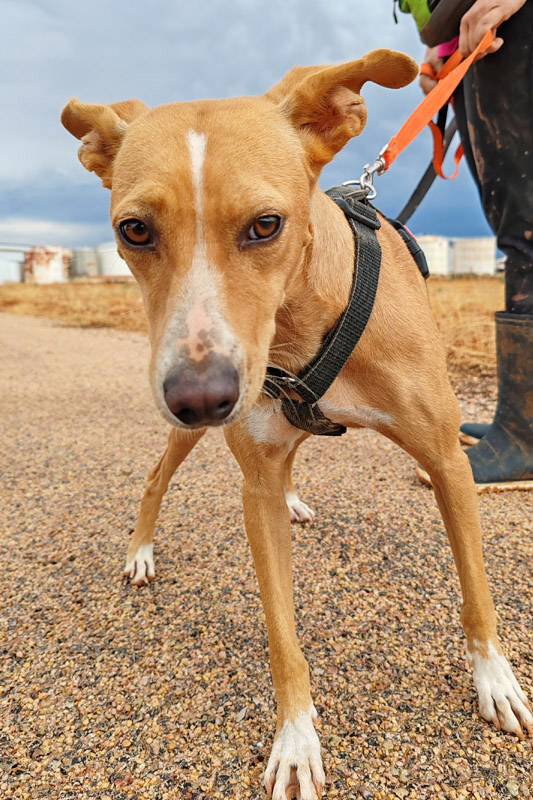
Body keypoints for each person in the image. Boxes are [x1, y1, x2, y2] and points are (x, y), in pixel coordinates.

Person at [407, 0, 533, 488]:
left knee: (526, 229)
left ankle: (524, 436)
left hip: (508, 23)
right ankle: (521, 417)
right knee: (513, 224)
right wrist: (441, 50)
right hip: (471, 36)